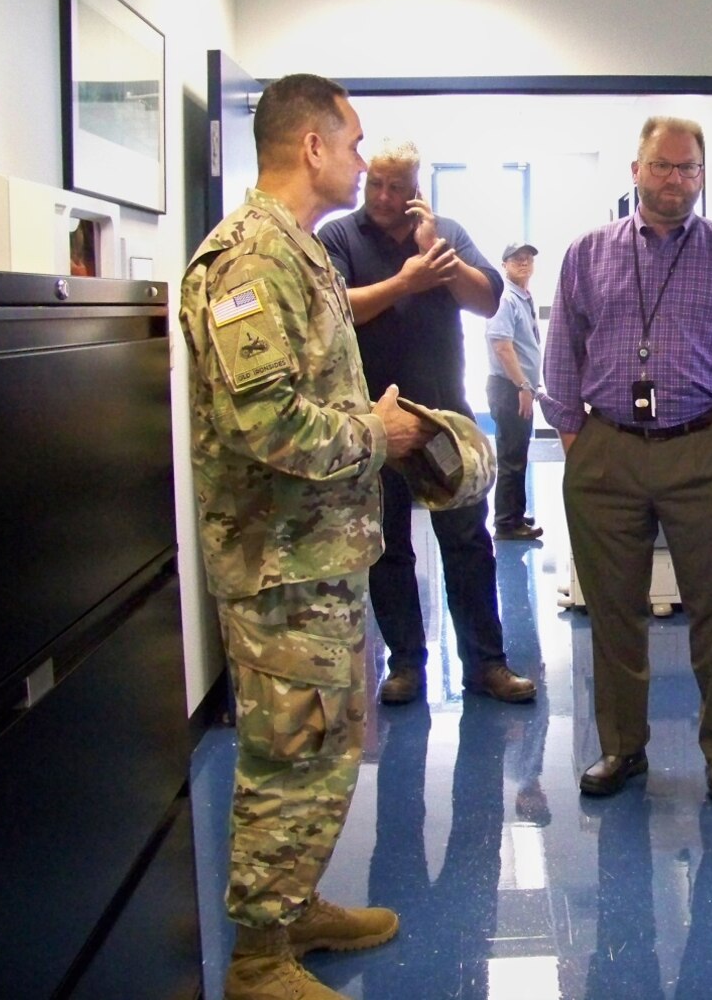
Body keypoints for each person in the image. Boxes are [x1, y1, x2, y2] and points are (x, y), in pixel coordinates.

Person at [178, 73, 431, 1000]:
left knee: (325, 743)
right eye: (354, 142)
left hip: (320, 551)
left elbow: (305, 395)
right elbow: (269, 425)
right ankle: (256, 960)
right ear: (314, 146)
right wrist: (382, 433)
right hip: (278, 564)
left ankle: (292, 904)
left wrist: (374, 420)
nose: (364, 160)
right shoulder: (249, 260)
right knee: (288, 751)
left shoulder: (305, 253)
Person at [542, 115, 712, 804]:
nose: (674, 179)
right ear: (635, 170)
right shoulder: (587, 254)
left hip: (704, 449)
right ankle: (622, 749)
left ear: (701, 177)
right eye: (661, 166)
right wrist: (571, 432)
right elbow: (562, 346)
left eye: (687, 169)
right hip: (607, 452)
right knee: (613, 614)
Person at [320, 139, 536, 706]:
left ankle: (486, 665)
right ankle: (406, 665)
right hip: (376, 425)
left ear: (417, 188)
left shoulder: (446, 233)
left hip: (445, 425)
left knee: (468, 544)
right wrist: (403, 283)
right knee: (388, 548)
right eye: (377, 185)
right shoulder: (339, 236)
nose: (386, 197)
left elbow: (489, 301)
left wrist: (437, 253)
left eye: (398, 186)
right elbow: (334, 310)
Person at [485, 241, 545, 540]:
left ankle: (515, 513)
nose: (524, 263)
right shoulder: (505, 299)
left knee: (518, 452)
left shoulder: (522, 297)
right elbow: (502, 345)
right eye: (517, 259)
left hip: (519, 388)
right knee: (511, 455)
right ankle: (507, 523)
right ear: (504, 264)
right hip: (509, 388)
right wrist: (522, 385)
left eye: (528, 258)